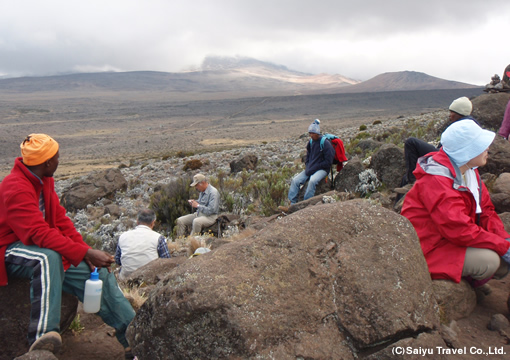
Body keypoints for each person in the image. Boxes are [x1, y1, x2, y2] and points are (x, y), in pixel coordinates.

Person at [0, 134, 135, 358]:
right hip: (9, 247)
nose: (59, 161)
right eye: (57, 157)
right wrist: (84, 251)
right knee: (47, 258)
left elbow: (61, 221)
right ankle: (43, 338)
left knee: (97, 273)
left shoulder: (44, 180)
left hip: (41, 245)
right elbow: (36, 233)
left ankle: (134, 338)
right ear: (47, 162)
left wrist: (85, 254)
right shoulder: (15, 186)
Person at [401, 121, 510, 288]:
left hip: (448, 238)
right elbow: (459, 229)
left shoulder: (469, 172)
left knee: (502, 258)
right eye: (481, 146)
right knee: (491, 262)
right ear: (466, 152)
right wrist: (503, 246)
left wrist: (504, 239)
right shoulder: (437, 180)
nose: (487, 148)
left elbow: (487, 211)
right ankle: (464, 286)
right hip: (429, 247)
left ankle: (467, 278)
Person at [401, 96, 475, 186]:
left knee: (411, 142)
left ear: (459, 113)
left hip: (447, 159)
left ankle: (412, 181)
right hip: (452, 158)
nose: (449, 115)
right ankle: (410, 179)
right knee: (404, 177)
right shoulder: (470, 125)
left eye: (452, 112)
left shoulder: (460, 127)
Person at [280, 119, 334, 210]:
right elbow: (308, 156)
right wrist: (308, 165)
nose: (311, 135)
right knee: (295, 180)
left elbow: (328, 162)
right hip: (311, 168)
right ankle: (292, 204)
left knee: (312, 181)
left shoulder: (325, 143)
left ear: (318, 133)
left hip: (323, 169)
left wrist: (315, 167)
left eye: (313, 133)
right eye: (310, 133)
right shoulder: (311, 143)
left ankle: (306, 204)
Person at [115, 208, 171, 280]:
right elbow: (166, 261)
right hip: (149, 278)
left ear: (137, 221)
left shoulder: (123, 236)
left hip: (126, 278)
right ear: (153, 222)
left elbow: (117, 260)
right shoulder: (159, 238)